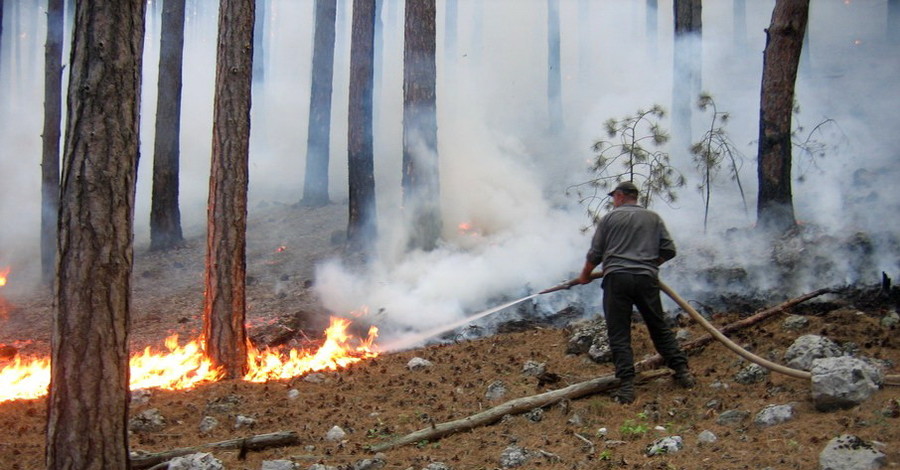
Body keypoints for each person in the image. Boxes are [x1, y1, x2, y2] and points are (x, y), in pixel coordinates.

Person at [576, 181, 694, 404]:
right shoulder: (653, 218)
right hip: (646, 279)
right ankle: (682, 372)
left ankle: (627, 387)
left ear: (620, 196)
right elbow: (669, 250)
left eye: (614, 197)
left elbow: (595, 253)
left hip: (617, 279)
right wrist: (651, 264)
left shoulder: (609, 219)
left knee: (619, 333)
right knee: (659, 327)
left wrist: (584, 275)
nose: (613, 200)